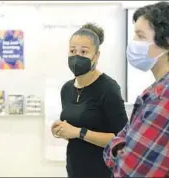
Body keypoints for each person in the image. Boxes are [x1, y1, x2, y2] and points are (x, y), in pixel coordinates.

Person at [103, 1, 169, 177]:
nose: (133, 43)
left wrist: (122, 150)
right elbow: (116, 144)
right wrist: (121, 149)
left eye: (141, 36)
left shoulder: (167, 98)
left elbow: (129, 173)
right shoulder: (163, 88)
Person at [51, 23, 128, 178]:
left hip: (103, 171)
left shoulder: (108, 88)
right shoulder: (66, 89)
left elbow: (122, 139)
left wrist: (79, 132)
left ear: (96, 56)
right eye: (72, 51)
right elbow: (72, 131)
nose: (77, 56)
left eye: (84, 52)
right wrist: (61, 130)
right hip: (74, 170)